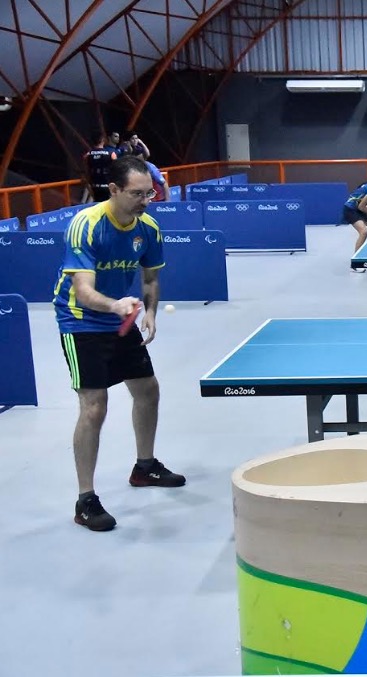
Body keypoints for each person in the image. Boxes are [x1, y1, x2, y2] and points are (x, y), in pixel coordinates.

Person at [54, 155, 185, 532]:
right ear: (112, 190)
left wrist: (150, 313)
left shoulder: (149, 228)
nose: (145, 201)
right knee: (95, 407)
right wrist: (115, 306)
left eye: (150, 193)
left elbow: (150, 280)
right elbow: (83, 289)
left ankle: (145, 467)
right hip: (81, 320)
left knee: (148, 390)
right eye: (136, 194)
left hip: (122, 316)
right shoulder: (87, 225)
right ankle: (85, 499)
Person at [84, 133, 118, 202]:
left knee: (97, 204)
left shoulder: (87, 155)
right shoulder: (111, 154)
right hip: (108, 186)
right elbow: (117, 168)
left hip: (94, 186)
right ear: (103, 140)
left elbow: (87, 170)